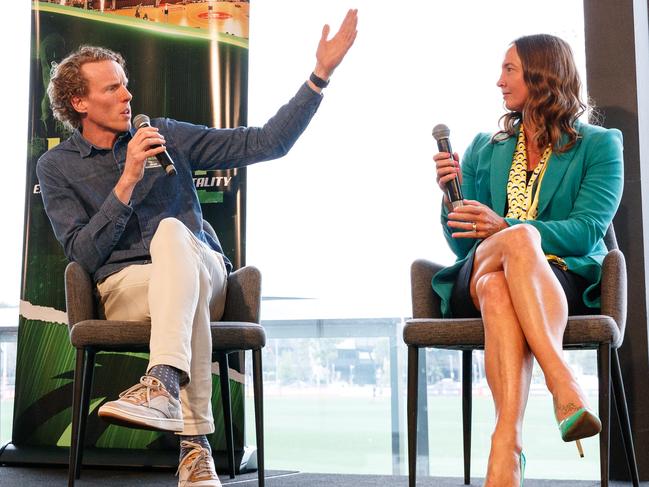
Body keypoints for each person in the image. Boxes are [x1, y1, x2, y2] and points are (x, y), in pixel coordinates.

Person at [37, 9, 357, 487]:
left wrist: (320, 76)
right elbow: (82, 255)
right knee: (181, 300)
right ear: (79, 102)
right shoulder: (56, 167)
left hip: (206, 276)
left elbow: (266, 142)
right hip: (129, 289)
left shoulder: (165, 135)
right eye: (112, 89)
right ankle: (195, 449)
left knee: (172, 235)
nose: (127, 95)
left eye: (126, 85)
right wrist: (127, 179)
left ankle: (163, 382)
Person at [432, 34, 623, 487]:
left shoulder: (599, 145)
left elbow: (586, 231)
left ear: (541, 74)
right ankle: (564, 385)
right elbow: (464, 247)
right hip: (476, 271)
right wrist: (449, 200)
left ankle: (506, 450)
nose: (498, 81)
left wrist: (510, 229)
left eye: (509, 70)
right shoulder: (485, 146)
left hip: (558, 276)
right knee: (513, 243)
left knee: (502, 280)